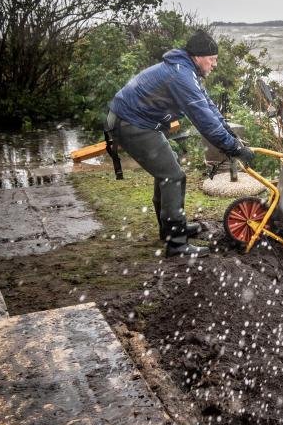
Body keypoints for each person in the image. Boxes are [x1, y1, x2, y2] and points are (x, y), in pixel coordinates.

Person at [106, 30, 255, 257]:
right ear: (197, 56)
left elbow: (209, 107)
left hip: (138, 122)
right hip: (131, 124)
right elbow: (203, 120)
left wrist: (231, 136)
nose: (214, 64)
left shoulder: (186, 71)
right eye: (212, 59)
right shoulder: (181, 76)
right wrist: (233, 148)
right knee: (172, 176)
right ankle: (176, 244)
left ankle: (171, 230)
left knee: (169, 169)